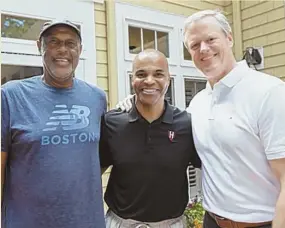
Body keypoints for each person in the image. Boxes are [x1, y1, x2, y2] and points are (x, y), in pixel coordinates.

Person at [118, 10, 285, 228]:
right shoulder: (198, 103)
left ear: (229, 38)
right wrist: (134, 105)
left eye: (211, 39)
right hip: (212, 221)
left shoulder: (269, 92)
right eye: (194, 45)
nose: (203, 49)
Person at [1, 20, 106, 228]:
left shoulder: (96, 98)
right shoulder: (11, 96)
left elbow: (95, 158)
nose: (62, 50)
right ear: (39, 47)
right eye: (53, 42)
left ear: (80, 50)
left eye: (70, 43)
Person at [99, 49, 201, 228]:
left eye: (158, 74)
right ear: (132, 79)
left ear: (168, 79)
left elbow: (213, 166)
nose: (149, 81)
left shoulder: (186, 124)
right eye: (141, 74)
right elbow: (94, 170)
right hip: (121, 223)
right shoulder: (112, 122)